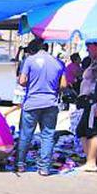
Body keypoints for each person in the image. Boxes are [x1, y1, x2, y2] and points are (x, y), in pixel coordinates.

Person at [16, 39, 64, 176]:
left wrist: (33, 83)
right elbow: (64, 85)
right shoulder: (59, 62)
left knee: (26, 135)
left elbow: (22, 81)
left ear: (33, 49)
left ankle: (20, 165)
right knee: (48, 136)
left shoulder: (30, 60)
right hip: (50, 103)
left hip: (32, 103)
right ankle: (44, 168)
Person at [77, 41, 97, 172]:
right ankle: (89, 158)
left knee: (91, 130)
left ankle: (92, 161)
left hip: (96, 102)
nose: (87, 50)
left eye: (88, 47)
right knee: (82, 130)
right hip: (91, 101)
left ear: (96, 46)